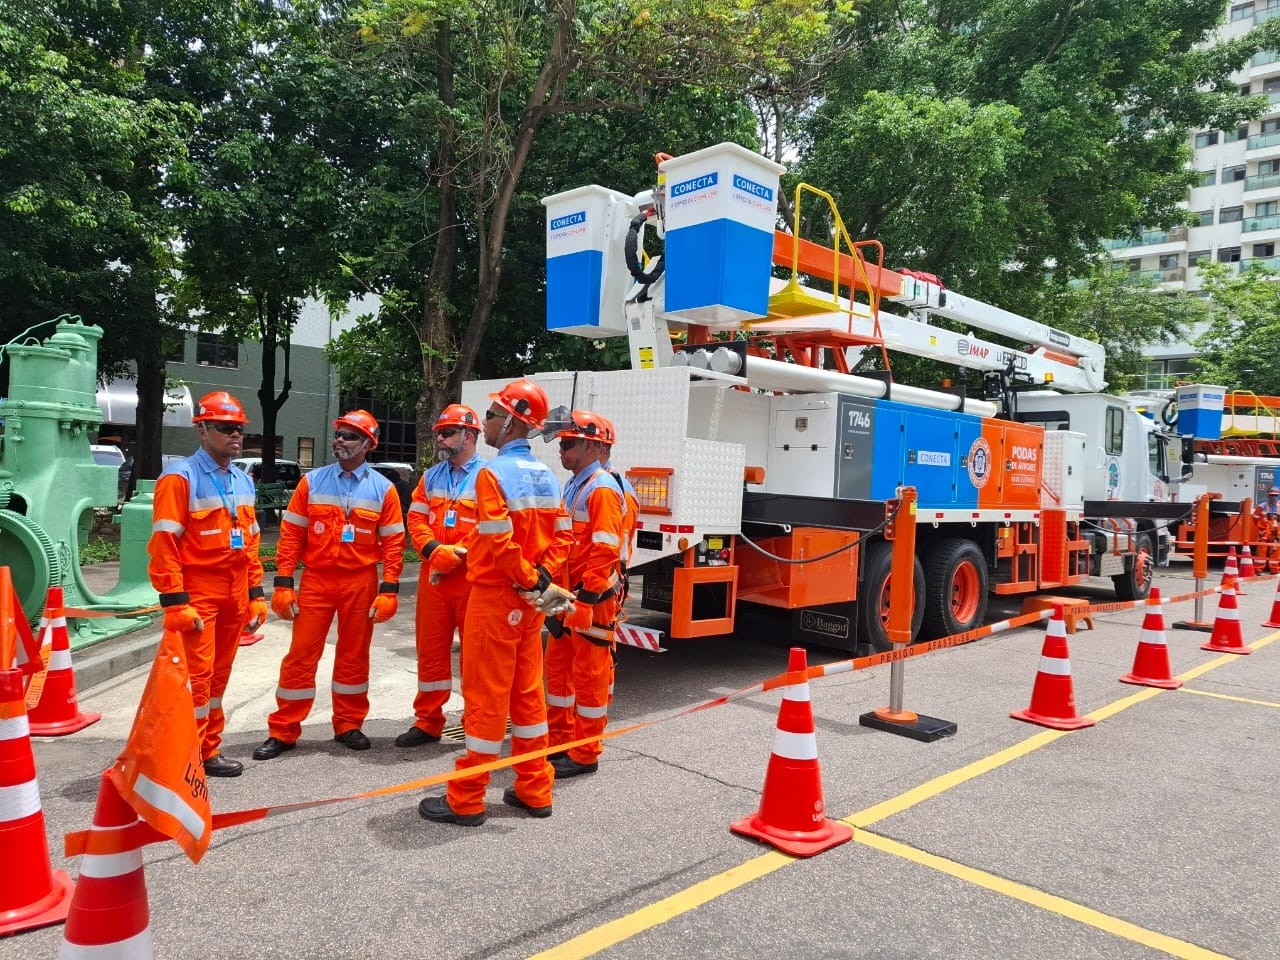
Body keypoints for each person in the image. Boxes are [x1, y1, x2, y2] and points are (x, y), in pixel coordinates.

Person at [418, 378, 574, 826]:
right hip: (529, 602)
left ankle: (467, 798)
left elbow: (498, 541)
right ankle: (534, 787)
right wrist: (540, 580)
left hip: (494, 597)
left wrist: (526, 578)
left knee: (486, 698)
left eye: (491, 414)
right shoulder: (548, 476)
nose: (485, 421)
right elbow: (562, 537)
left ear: (511, 422)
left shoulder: (492, 474)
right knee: (527, 698)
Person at [253, 410, 405, 759]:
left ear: (368, 444)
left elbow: (393, 544)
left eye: (349, 435)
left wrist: (389, 589)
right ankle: (284, 729)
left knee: (354, 656)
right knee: (301, 655)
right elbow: (292, 535)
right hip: (317, 580)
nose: (340, 440)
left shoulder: (384, 490)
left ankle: (349, 724)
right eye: (339, 433)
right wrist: (283, 583)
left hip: (360, 581)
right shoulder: (312, 482)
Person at [148, 391, 267, 778]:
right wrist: (175, 602)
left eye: (239, 429)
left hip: (234, 590)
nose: (235, 435)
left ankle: (207, 749)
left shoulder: (242, 480)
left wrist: (255, 594)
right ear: (202, 430)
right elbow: (164, 544)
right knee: (196, 679)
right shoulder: (179, 479)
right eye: (225, 427)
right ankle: (186, 755)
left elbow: (250, 542)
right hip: (199, 590)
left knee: (218, 675)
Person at [544, 411, 626, 779]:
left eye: (568, 443)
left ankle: (585, 753)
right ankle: (560, 742)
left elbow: (605, 550)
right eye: (561, 443)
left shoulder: (601, 488)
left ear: (593, 445)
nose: (561, 449)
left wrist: (587, 601)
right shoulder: (576, 484)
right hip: (567, 596)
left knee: (589, 676)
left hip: (591, 599)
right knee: (558, 671)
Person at [397, 404, 483, 748]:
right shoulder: (431, 477)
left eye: (447, 433)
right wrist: (434, 551)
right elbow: (415, 519)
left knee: (475, 656)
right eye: (439, 433)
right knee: (430, 652)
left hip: (472, 578)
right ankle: (428, 721)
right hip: (434, 576)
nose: (440, 439)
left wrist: (456, 554)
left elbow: (491, 527)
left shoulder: (489, 477)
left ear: (469, 435)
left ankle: (476, 722)